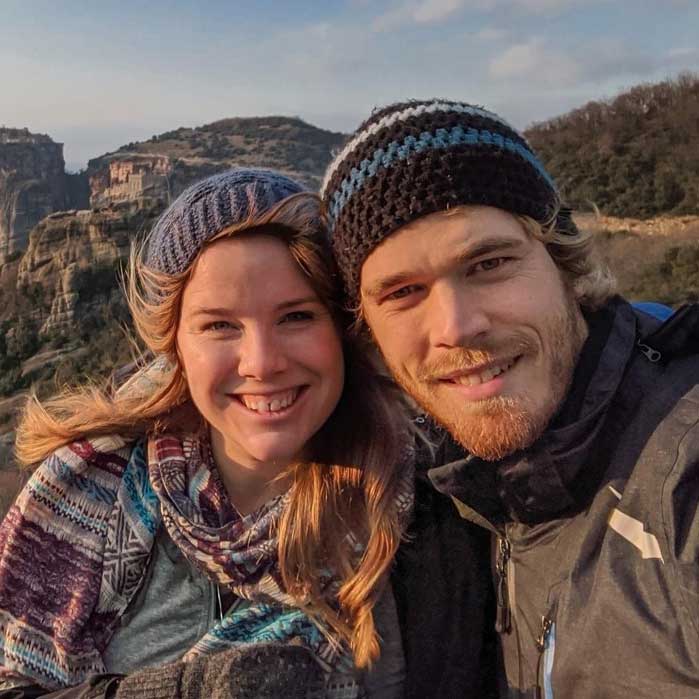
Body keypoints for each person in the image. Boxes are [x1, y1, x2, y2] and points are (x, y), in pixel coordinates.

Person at [0, 168, 495, 698]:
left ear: (344, 329)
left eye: (297, 317)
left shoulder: (433, 508)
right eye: (219, 325)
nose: (262, 363)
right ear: (174, 347)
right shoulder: (82, 489)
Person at [321, 99, 699, 698]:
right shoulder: (469, 488)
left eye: (489, 263)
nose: (457, 325)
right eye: (402, 293)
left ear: (563, 262)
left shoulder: (680, 474)